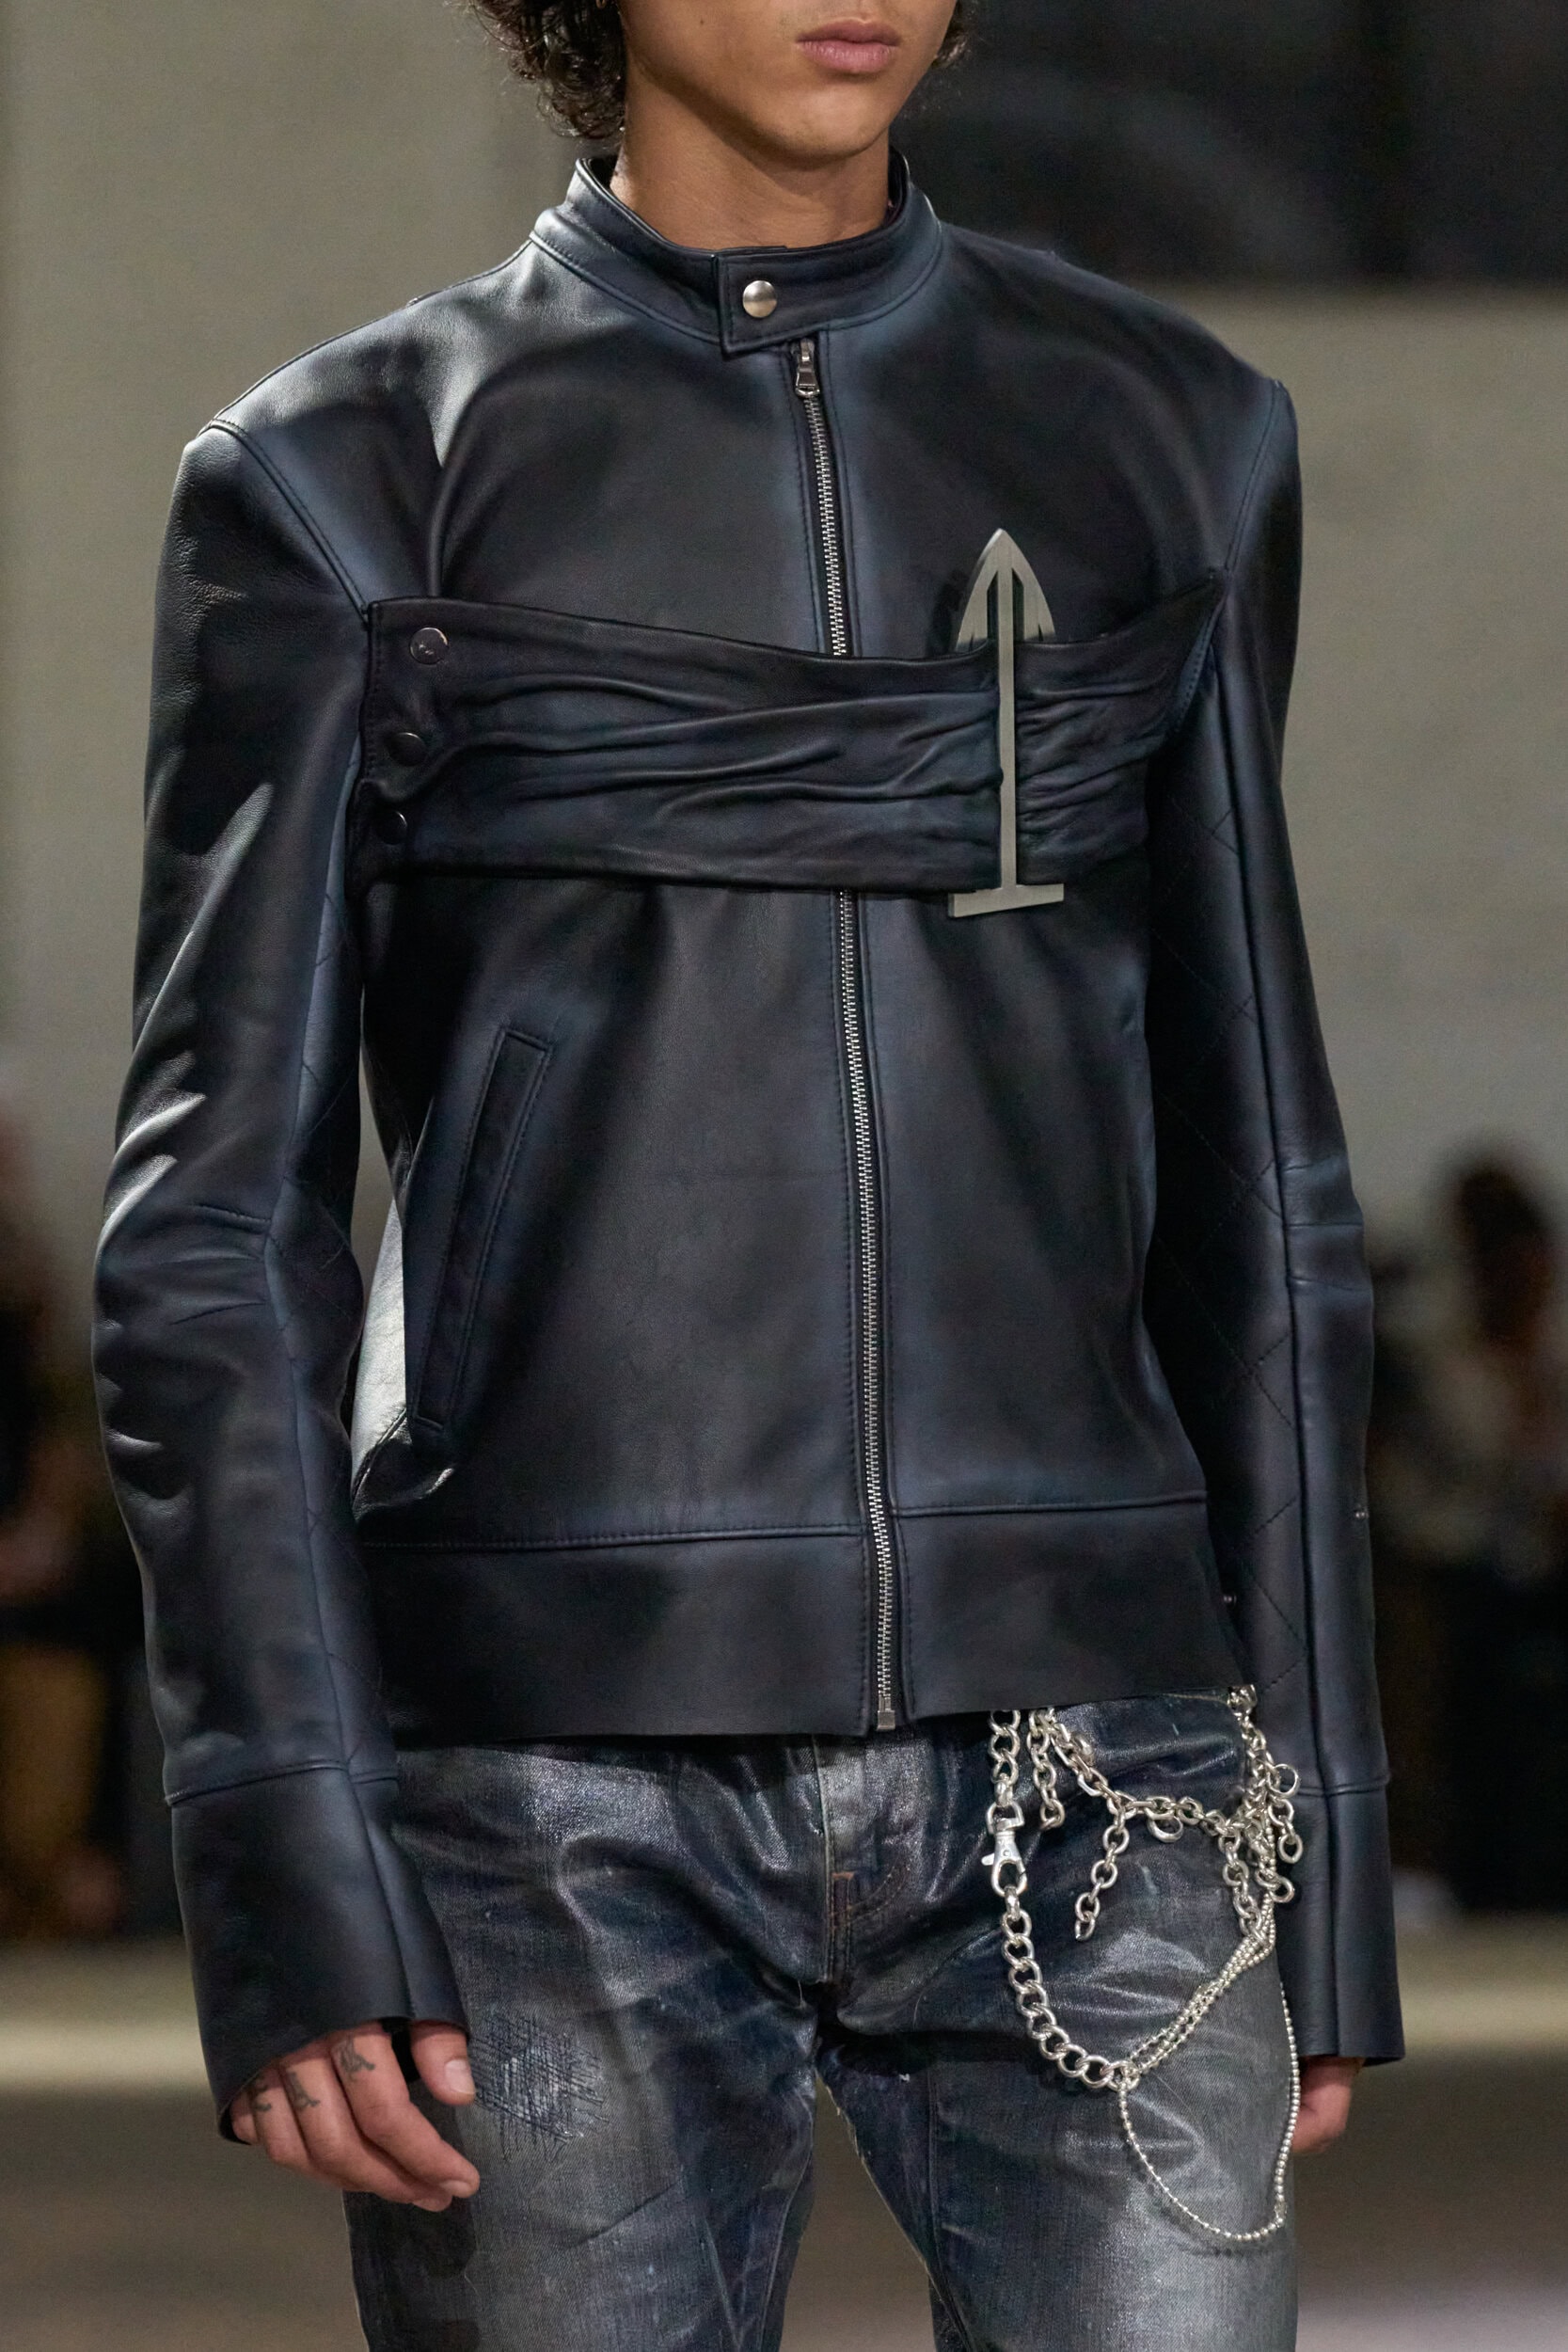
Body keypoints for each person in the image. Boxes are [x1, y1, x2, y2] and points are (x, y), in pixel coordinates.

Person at [94, 4, 1401, 2344]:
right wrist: (284, 1831)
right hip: (549, 1777)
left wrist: (1328, 1813)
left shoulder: (1170, 433)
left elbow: (1264, 1172)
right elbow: (212, 1228)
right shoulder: (342, 475)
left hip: (1107, 1755)